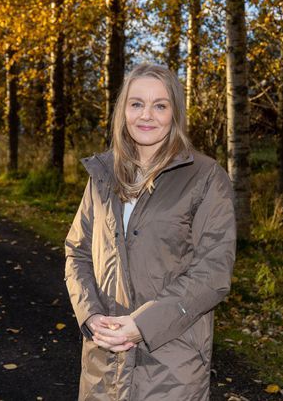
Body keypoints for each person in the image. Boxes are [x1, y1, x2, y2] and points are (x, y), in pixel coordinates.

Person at [64, 63, 237, 400]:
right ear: (123, 111)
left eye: (160, 105)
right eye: (136, 103)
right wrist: (91, 313)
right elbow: (77, 251)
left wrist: (142, 326)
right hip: (104, 360)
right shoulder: (103, 174)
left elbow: (213, 272)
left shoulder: (205, 177)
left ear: (175, 113)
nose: (147, 115)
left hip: (171, 367)